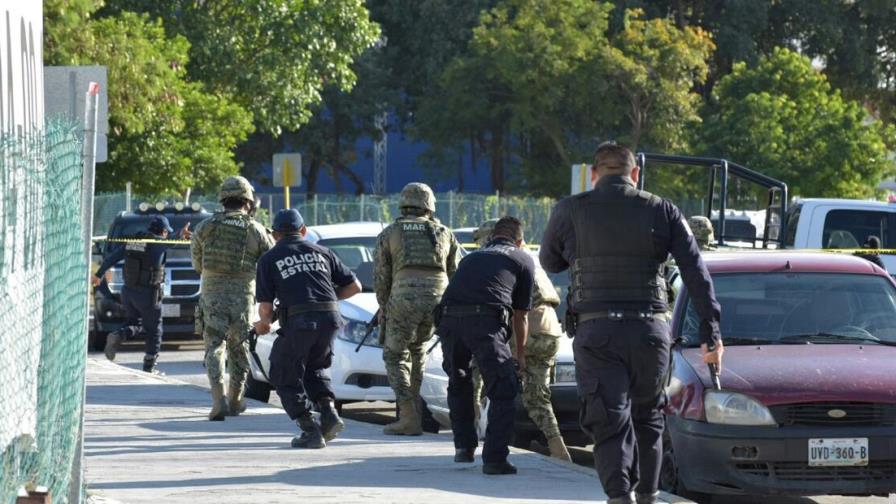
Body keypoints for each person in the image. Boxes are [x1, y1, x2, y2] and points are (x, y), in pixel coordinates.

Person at [540, 143, 723, 504]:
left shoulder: (569, 210)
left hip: (597, 333)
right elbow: (696, 272)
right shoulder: (662, 209)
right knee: (648, 418)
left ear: (594, 174)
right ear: (635, 173)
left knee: (608, 420)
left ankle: (619, 496)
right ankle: (648, 495)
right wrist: (711, 332)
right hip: (649, 332)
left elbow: (550, 261)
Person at [254, 209, 362, 448]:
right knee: (315, 368)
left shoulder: (269, 259)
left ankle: (309, 429)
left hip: (300, 322)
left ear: (274, 234)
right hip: (330, 319)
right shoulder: (323, 252)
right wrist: (325, 300)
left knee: (283, 372)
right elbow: (355, 286)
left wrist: (263, 325)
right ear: (303, 231)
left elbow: (266, 308)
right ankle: (329, 413)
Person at [437, 216, 534, 475]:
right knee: (503, 388)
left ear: (491, 237)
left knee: (459, 381)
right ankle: (494, 459)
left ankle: (463, 448)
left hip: (448, 319)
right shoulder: (522, 258)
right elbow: (521, 315)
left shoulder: (472, 257)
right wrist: (520, 356)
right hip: (484, 322)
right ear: (519, 241)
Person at [473, 219, 571, 462]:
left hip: (525, 329)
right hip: (550, 330)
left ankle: (471, 431)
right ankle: (558, 448)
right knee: (536, 397)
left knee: (477, 369)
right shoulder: (529, 257)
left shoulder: (502, 260)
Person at [374, 182, 461, 436]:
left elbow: (381, 276)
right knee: (418, 351)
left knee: (394, 356)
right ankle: (415, 415)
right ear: (429, 206)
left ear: (403, 204)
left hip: (403, 298)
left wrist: (383, 306)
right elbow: (456, 273)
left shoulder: (391, 232)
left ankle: (408, 416)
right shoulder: (445, 233)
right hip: (438, 299)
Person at [191, 176, 274, 421]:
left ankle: (218, 400)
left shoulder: (204, 227)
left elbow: (197, 265)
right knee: (239, 348)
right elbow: (269, 263)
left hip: (212, 295)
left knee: (214, 346)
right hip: (243, 297)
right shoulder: (255, 229)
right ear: (248, 201)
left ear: (223, 199)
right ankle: (236, 399)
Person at [92, 215, 189, 373]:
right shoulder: (157, 244)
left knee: (135, 323)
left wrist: (99, 274)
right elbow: (170, 242)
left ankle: (119, 334)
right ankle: (149, 366)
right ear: (163, 232)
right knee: (154, 330)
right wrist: (179, 234)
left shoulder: (133, 243)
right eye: (166, 232)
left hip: (128, 292)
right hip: (148, 294)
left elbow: (112, 258)